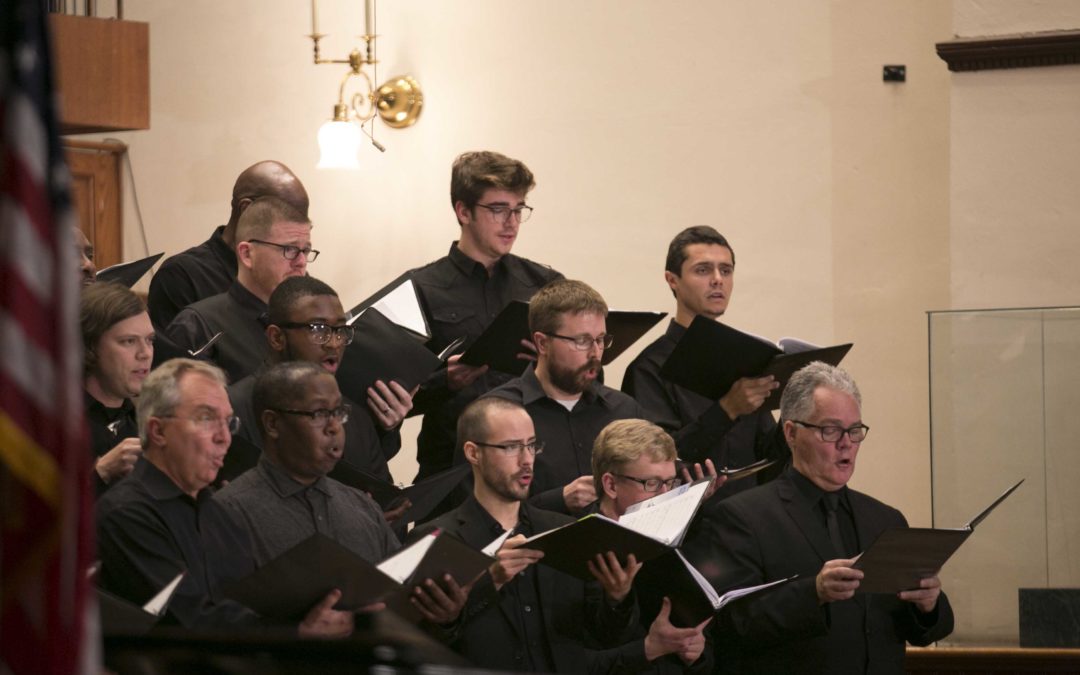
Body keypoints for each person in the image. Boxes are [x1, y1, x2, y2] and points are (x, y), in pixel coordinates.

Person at [682, 362, 953, 674]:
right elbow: (730, 625)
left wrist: (928, 604)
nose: (846, 443)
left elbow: (924, 631)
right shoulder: (741, 517)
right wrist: (814, 593)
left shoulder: (886, 520)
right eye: (830, 430)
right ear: (791, 433)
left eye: (854, 430)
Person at [96, 358, 351, 636]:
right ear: (158, 431)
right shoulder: (126, 514)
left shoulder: (220, 515)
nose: (224, 437)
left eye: (228, 423)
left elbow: (254, 604)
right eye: (206, 418)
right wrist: (295, 631)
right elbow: (185, 621)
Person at [217, 362, 465, 625]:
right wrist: (295, 635)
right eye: (320, 414)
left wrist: (443, 616)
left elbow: (397, 607)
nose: (335, 427)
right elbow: (211, 628)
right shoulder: (227, 514)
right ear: (273, 423)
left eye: (339, 413)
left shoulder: (364, 508)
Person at [410, 396, 641, 672]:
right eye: (511, 447)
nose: (527, 460)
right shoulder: (434, 539)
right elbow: (420, 648)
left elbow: (601, 637)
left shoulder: (565, 530)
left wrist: (618, 598)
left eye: (531, 446)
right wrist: (489, 582)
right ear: (473, 453)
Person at [407, 150, 563, 494]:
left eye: (519, 209)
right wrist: (443, 381)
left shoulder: (545, 284)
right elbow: (393, 398)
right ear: (463, 211)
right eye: (498, 210)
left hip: (537, 471)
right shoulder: (420, 287)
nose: (511, 222)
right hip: (453, 473)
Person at [621, 226, 789, 502]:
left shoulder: (745, 358)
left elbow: (768, 456)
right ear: (672, 280)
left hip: (751, 515)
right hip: (690, 525)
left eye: (726, 270)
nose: (717, 280)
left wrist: (795, 414)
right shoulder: (648, 368)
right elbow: (656, 463)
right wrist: (727, 410)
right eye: (702, 270)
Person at [221, 275, 411, 489]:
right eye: (318, 330)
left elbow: (384, 498)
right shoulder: (229, 410)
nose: (333, 343)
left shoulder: (357, 419)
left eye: (340, 331)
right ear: (276, 337)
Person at [485, 279, 642, 513]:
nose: (595, 353)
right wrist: (559, 500)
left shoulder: (624, 410)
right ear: (542, 343)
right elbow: (481, 513)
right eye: (581, 341)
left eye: (600, 340)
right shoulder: (495, 414)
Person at [589, 419, 719, 673]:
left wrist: (696, 652)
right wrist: (616, 601)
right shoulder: (578, 543)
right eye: (651, 484)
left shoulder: (674, 533)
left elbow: (699, 633)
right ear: (611, 485)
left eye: (670, 483)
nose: (664, 495)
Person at [164, 196, 314, 383]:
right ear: (247, 254)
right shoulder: (198, 326)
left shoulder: (311, 322)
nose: (301, 262)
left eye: (306, 251)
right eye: (290, 249)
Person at [147, 160, 309, 329]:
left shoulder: (294, 271)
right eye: (287, 218)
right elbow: (174, 354)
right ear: (247, 208)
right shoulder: (182, 276)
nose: (301, 261)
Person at [81, 281, 154, 492]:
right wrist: (101, 473)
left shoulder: (148, 422)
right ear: (90, 346)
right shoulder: (52, 424)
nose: (145, 353)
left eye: (150, 340)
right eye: (129, 341)